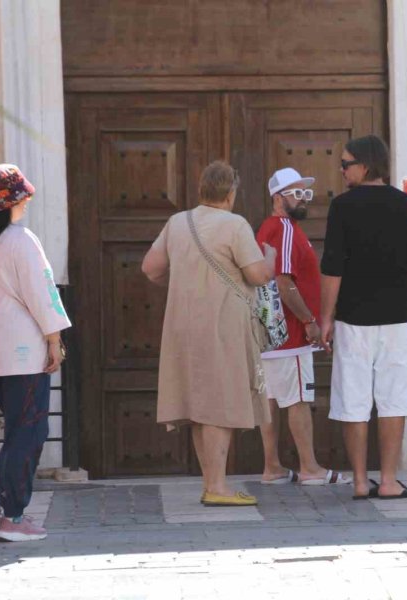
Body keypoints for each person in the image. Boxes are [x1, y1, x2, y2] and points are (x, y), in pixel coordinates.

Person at [142, 161, 275, 507]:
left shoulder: (178, 222)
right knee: (220, 403)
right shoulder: (235, 225)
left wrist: (186, 283)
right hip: (222, 325)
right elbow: (258, 275)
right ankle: (217, 487)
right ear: (231, 193)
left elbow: (151, 268)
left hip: (183, 326)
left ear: (202, 188)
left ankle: (211, 483)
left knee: (201, 405)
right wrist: (271, 259)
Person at [319, 135, 407, 501]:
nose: (341, 170)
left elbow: (332, 267)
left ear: (366, 165)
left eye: (346, 163)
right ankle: (387, 480)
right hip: (399, 318)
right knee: (394, 401)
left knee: (353, 400)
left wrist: (325, 317)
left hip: (353, 320)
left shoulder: (342, 207)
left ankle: (358, 480)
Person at [0, 164, 71, 542]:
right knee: (32, 430)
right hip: (25, 352)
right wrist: (54, 340)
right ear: (14, 199)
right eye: (22, 194)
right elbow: (43, 293)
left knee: (18, 430)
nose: (27, 200)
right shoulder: (21, 240)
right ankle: (13, 515)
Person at [255, 168, 350, 485]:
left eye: (306, 193)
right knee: (297, 399)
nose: (304, 199)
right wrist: (310, 321)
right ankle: (310, 468)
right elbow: (283, 281)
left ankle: (272, 466)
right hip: (291, 334)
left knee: (271, 399)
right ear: (278, 197)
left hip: (271, 332)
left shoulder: (272, 228)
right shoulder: (282, 228)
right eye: (297, 193)